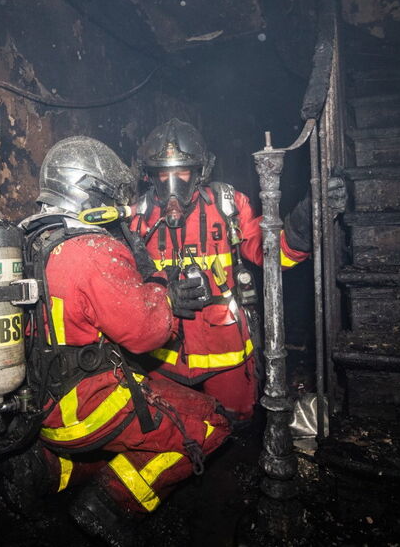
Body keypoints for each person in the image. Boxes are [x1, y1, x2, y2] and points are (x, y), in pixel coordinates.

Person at [1, 135, 231, 547]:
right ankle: (110, 504)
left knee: (154, 398)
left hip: (38, 409)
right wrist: (167, 294)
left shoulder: (30, 240)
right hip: (87, 410)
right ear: (93, 190)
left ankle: (44, 470)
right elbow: (146, 333)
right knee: (208, 422)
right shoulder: (91, 248)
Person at [129, 118, 347, 428]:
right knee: (174, 431)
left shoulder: (227, 206)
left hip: (227, 355)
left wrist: (307, 221)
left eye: (183, 172)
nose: (172, 184)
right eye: (163, 174)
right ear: (150, 176)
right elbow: (125, 290)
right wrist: (161, 297)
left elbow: (274, 253)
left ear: (201, 171)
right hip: (165, 360)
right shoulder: (137, 219)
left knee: (235, 427)